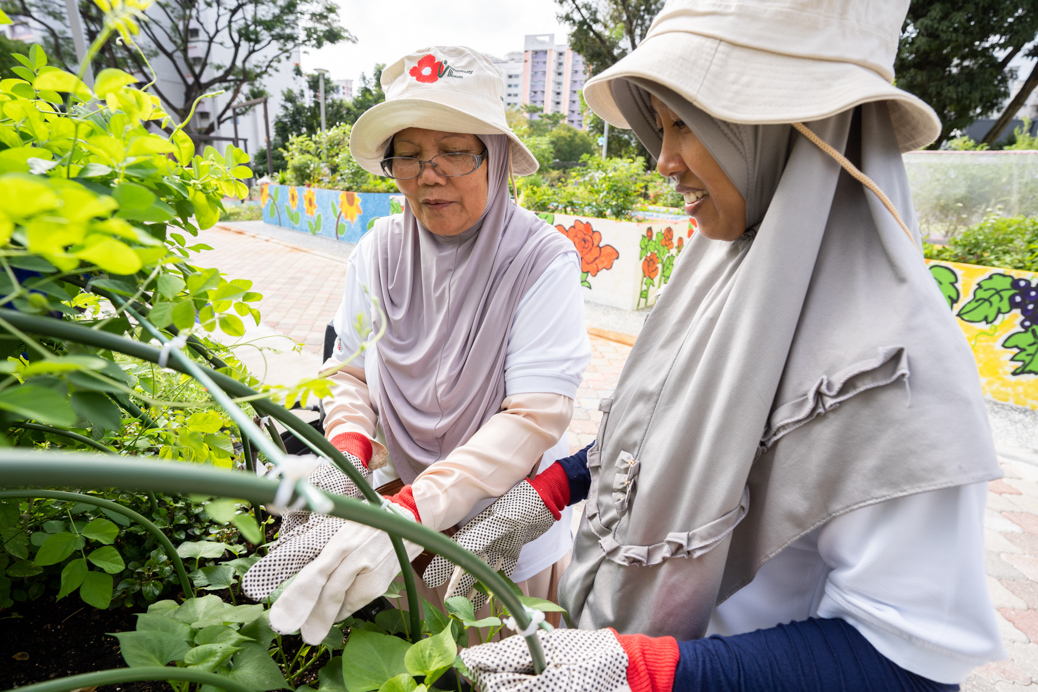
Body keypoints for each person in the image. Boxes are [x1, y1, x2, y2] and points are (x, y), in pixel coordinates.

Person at [443, 0, 1007, 689]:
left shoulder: (892, 363)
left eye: (685, 123)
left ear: (784, 129)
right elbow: (692, 433)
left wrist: (655, 672)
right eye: (660, 125)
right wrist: (560, 487)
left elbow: (912, 658)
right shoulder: (729, 262)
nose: (663, 160)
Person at [241, 46, 591, 644]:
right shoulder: (379, 250)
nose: (429, 175)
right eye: (409, 155)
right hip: (389, 518)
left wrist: (412, 512)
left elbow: (535, 417)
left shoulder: (540, 260)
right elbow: (347, 373)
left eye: (454, 151)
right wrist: (349, 451)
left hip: (496, 531)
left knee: (493, 653)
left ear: (497, 157)